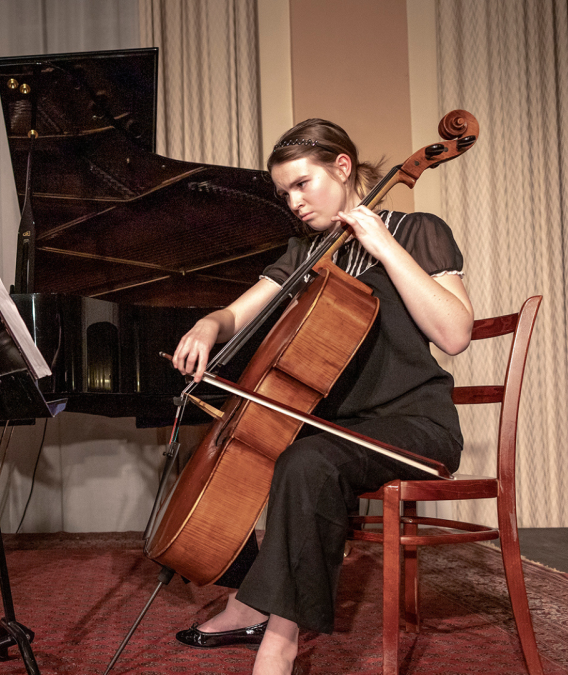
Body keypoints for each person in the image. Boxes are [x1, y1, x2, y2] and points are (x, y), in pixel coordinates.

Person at [169, 119, 474, 675]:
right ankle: (248, 597)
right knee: (236, 449)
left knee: (308, 462)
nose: (294, 202)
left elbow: (455, 334)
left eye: (302, 184)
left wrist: (383, 246)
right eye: (284, 192)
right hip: (339, 428)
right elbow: (239, 312)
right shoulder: (305, 254)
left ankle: (278, 645)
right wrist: (210, 325)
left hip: (414, 425)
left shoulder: (416, 230)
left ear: (342, 167)